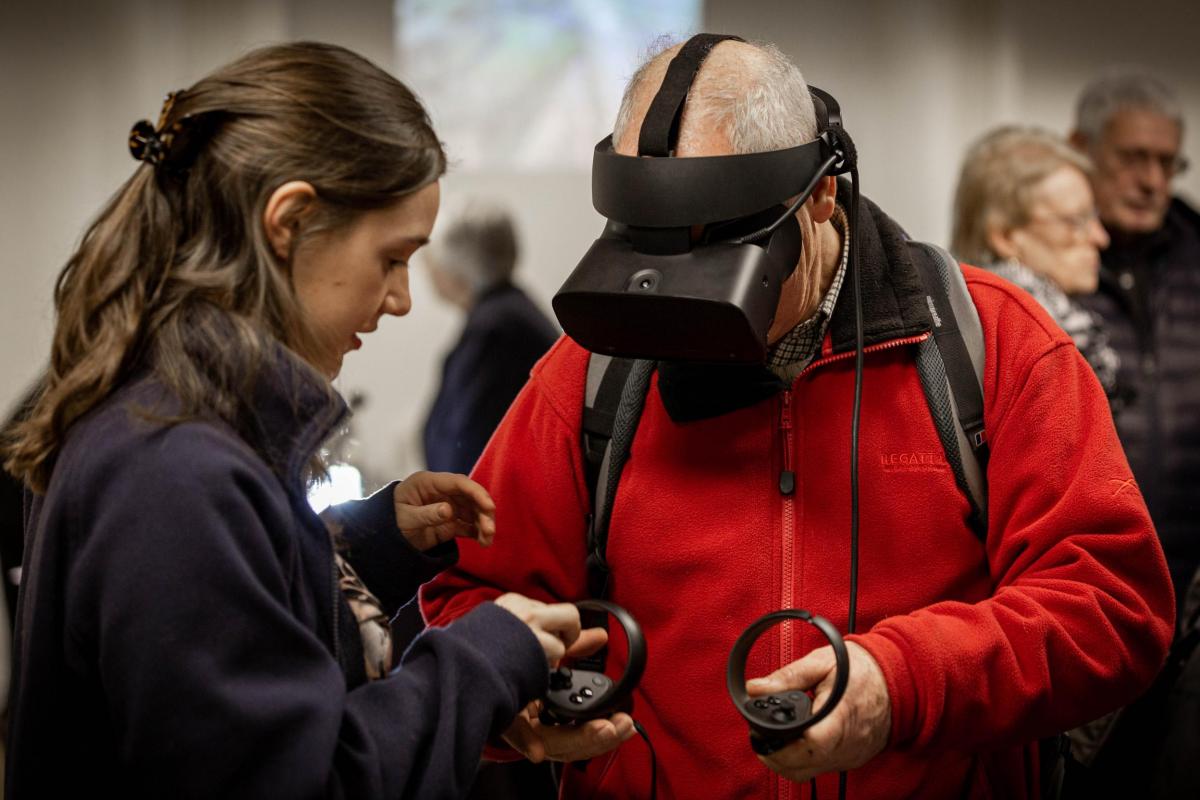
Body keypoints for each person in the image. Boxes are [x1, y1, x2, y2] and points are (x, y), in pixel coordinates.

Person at [421, 37, 1175, 799]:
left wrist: (902, 684)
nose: (677, 307)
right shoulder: (599, 368)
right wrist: (510, 698)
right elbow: (471, 596)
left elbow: (1112, 607)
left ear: (820, 196)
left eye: (716, 260)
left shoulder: (991, 344)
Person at [0, 42, 615, 799]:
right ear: (289, 221)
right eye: (391, 259)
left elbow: (231, 615)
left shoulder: (168, 418)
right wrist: (484, 657)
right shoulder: (176, 473)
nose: (402, 300)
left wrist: (370, 540)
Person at [1061, 70, 1200, 800]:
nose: (1152, 181)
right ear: (1081, 147)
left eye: (1167, 162)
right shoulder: (1051, 256)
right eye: (1132, 158)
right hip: (1092, 594)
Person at [951, 126, 1119, 403]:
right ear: (1005, 236)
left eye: (1094, 216)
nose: (1101, 238)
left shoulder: (1063, 320)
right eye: (1075, 221)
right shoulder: (1024, 342)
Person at [422, 201, 558, 475]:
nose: (427, 270)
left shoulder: (496, 329)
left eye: (431, 260)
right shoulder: (508, 313)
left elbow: (468, 441)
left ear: (456, 268)